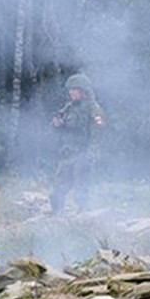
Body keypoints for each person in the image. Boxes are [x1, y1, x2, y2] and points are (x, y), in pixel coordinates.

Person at [49, 72, 104, 214]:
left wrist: (92, 152)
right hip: (68, 152)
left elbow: (96, 133)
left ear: (83, 91)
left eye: (74, 90)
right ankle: (57, 214)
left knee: (81, 186)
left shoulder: (93, 109)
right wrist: (57, 124)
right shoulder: (69, 108)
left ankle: (83, 214)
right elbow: (59, 125)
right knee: (58, 187)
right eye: (70, 90)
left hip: (83, 152)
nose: (71, 93)